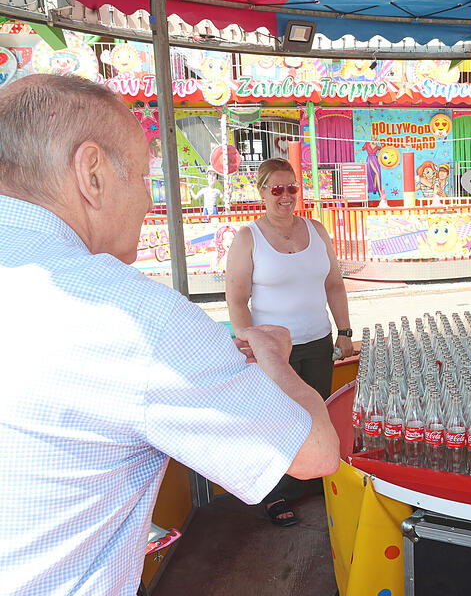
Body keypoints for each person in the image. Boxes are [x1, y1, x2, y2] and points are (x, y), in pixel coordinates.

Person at [0, 74, 340, 595]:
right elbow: (315, 449)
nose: (145, 199)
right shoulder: (129, 314)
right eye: (141, 176)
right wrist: (273, 358)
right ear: (91, 174)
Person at [225, 157, 354, 527]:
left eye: (291, 188)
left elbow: (333, 284)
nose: (285, 196)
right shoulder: (248, 237)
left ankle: (311, 480)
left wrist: (343, 331)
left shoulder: (316, 229)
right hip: (273, 351)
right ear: (262, 192)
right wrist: (251, 344)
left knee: (317, 415)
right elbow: (236, 300)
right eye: (277, 189)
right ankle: (275, 491)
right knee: (278, 419)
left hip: (318, 341)